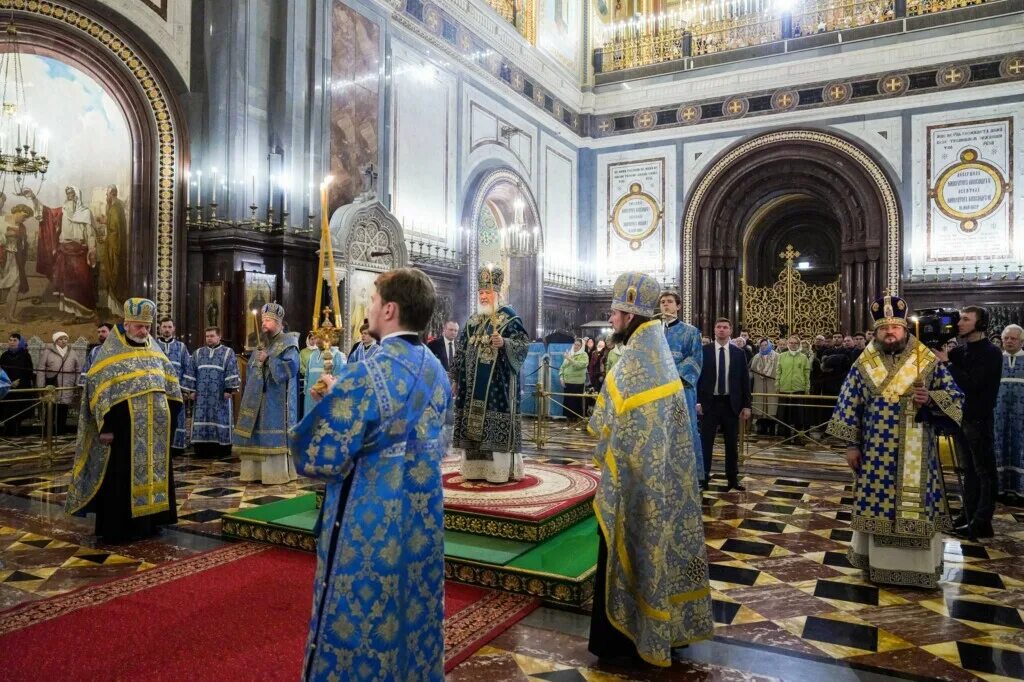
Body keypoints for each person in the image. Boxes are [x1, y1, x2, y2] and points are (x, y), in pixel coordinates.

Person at [289, 267, 450, 681]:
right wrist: (340, 388)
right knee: (412, 607)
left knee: (364, 615)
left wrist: (328, 401)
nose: (370, 309)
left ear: (391, 309)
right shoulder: (436, 369)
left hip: (369, 516)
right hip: (422, 512)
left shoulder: (368, 372)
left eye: (374, 302)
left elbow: (320, 455)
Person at [587, 272, 713, 666]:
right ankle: (666, 631)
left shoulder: (634, 366)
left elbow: (605, 426)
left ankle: (625, 641)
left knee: (634, 543)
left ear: (629, 312)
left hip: (635, 486)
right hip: (666, 483)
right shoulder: (656, 355)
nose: (611, 318)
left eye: (614, 311)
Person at [827, 294, 963, 587]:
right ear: (876, 332)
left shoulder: (925, 360)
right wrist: (851, 445)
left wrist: (931, 399)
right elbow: (850, 403)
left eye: (896, 328)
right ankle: (878, 565)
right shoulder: (865, 363)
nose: (890, 333)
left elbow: (955, 399)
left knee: (917, 503)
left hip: (917, 449)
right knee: (878, 505)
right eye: (884, 329)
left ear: (904, 330)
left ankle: (919, 569)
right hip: (874, 450)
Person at [66, 298, 183, 542]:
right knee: (121, 478)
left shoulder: (154, 350)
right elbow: (98, 393)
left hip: (155, 432)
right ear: (127, 324)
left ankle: (151, 522)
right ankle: (121, 527)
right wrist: (106, 427)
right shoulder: (111, 353)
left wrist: (171, 416)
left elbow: (171, 386)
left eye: (147, 327)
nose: (145, 331)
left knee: (155, 475)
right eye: (140, 326)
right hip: (123, 433)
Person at [452, 266, 530, 483]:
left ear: (497, 293)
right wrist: (455, 377)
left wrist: (505, 343)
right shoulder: (472, 320)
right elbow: (460, 349)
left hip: (497, 387)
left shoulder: (509, 318)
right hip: (470, 388)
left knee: (492, 425)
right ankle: (475, 469)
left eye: (487, 293)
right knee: (472, 426)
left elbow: (523, 345)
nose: (483, 296)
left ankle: (499, 471)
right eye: (480, 293)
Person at [938, 306, 1004, 538]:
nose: (959, 323)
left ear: (981, 324)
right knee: (970, 471)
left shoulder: (991, 352)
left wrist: (948, 364)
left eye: (966, 319)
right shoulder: (962, 351)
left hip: (979, 419)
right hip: (961, 417)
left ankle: (983, 522)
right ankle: (968, 514)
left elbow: (972, 384)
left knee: (985, 472)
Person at [234, 302, 300, 484]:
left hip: (276, 401)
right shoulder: (261, 345)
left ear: (279, 323)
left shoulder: (289, 343)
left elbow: (291, 368)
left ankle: (276, 474)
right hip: (257, 400)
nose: (264, 324)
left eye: (268, 320)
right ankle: (255, 473)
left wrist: (270, 359)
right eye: (263, 320)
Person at [22, 186, 98, 322]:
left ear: (77, 195)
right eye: (68, 194)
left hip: (80, 251)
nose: (69, 196)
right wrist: (33, 197)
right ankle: (76, 315)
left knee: (82, 282)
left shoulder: (86, 213)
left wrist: (92, 249)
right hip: (65, 250)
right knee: (68, 283)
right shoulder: (62, 211)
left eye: (72, 194)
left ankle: (86, 314)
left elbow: (90, 233)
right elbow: (46, 213)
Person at [697, 318, 752, 490]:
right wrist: (697, 401)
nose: (722, 330)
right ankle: (703, 477)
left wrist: (747, 405)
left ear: (730, 330)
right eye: (719, 327)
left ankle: (732, 478)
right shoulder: (704, 351)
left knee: (731, 443)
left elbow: (744, 381)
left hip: (731, 404)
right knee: (706, 442)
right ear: (714, 330)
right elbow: (697, 378)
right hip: (709, 403)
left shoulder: (738, 353)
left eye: (725, 327)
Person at [660, 291, 704, 481]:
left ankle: (691, 476)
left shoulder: (691, 331)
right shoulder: (653, 333)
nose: (666, 305)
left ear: (678, 306)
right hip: (656, 392)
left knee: (685, 429)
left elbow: (696, 359)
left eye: (670, 302)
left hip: (681, 390)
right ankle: (662, 473)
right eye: (662, 302)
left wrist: (672, 376)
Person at [190, 326, 240, 458]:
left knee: (220, 418)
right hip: (201, 396)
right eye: (207, 336)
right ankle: (201, 449)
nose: (209, 339)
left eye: (212, 336)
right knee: (202, 417)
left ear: (219, 336)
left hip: (219, 395)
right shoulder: (198, 353)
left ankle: (221, 449)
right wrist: (191, 390)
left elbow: (232, 370)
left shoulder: (228, 352)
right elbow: (191, 372)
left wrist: (229, 389)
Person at [155, 318, 196, 456]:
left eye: (169, 327)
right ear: (159, 329)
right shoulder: (153, 345)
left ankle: (177, 446)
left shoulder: (181, 347)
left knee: (177, 416)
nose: (167, 329)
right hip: (158, 389)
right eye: (164, 327)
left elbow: (188, 368)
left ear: (173, 329)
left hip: (176, 390)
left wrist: (185, 389)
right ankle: (158, 447)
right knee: (158, 417)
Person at [995, 324, 1024, 500]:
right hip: (998, 414)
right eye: (1006, 338)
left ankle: (1020, 490)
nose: (1009, 341)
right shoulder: (996, 360)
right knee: (1000, 445)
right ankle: (1000, 489)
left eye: (1013, 338)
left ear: (1021, 341)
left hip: (1022, 416)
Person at [36, 331, 81, 436]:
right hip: (52, 384)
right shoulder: (48, 352)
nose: (63, 341)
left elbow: (78, 368)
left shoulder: (72, 352)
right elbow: (41, 368)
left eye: (65, 339)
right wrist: (41, 386)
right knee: (50, 407)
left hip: (67, 384)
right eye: (60, 339)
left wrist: (77, 383)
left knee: (63, 408)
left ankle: (60, 430)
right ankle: (49, 431)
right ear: (56, 340)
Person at [96, 185, 128, 313]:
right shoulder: (116, 207)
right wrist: (106, 222)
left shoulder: (115, 208)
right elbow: (114, 227)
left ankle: (118, 310)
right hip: (113, 246)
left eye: (107, 194)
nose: (106, 196)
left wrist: (106, 236)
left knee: (114, 275)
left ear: (112, 194)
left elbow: (115, 231)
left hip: (114, 249)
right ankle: (114, 309)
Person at [0, 198, 32, 322]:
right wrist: (7, 235)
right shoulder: (2, 220)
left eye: (26, 218)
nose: (24, 220)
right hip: (1, 255)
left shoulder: (21, 227)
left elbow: (23, 245)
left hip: (13, 257)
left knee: (15, 284)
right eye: (24, 216)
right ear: (17, 211)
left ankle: (10, 315)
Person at [776, 334, 811, 438]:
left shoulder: (804, 357)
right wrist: (777, 385)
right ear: (788, 344)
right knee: (784, 414)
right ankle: (785, 436)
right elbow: (778, 371)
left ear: (799, 344)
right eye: (791, 343)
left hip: (798, 389)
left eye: (795, 343)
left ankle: (797, 436)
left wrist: (807, 388)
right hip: (784, 388)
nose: (793, 345)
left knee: (798, 415)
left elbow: (807, 373)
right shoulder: (782, 356)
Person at [0, 333, 33, 436]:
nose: (12, 342)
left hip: (21, 387)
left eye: (15, 340)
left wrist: (19, 382)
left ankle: (17, 430)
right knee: (7, 410)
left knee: (19, 410)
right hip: (7, 388)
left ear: (20, 342)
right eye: (10, 340)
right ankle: (7, 429)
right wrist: (9, 383)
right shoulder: (4, 355)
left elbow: (29, 372)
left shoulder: (25, 355)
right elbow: (1, 371)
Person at [303, 339, 345, 416]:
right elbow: (307, 376)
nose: (318, 340)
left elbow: (338, 378)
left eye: (320, 337)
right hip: (310, 398)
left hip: (325, 397)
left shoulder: (336, 354)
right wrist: (306, 392)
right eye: (316, 337)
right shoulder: (312, 355)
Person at [750, 338, 779, 436]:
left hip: (772, 384)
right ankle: (761, 427)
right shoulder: (756, 357)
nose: (763, 347)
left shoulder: (777, 356)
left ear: (770, 345)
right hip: (759, 384)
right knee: (760, 405)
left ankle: (771, 427)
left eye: (765, 345)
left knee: (771, 405)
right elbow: (752, 369)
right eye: (761, 345)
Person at [559, 338, 589, 425]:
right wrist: (561, 377)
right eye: (575, 344)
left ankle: (577, 422)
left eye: (578, 345)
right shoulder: (570, 354)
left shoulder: (584, 355)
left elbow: (580, 365)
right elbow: (562, 367)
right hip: (567, 383)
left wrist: (569, 359)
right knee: (567, 402)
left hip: (577, 383)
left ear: (581, 346)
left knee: (576, 403)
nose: (576, 346)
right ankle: (568, 421)